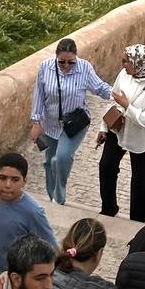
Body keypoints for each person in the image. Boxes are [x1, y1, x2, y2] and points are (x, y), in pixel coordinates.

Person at [30, 37, 113, 205]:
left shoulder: (84, 68)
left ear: (76, 58)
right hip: (51, 123)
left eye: (70, 62)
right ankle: (52, 195)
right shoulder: (46, 68)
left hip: (75, 124)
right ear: (56, 58)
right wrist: (36, 121)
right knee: (49, 162)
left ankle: (59, 198)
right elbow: (39, 94)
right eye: (62, 62)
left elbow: (100, 88)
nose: (66, 66)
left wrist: (118, 95)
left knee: (62, 157)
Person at [98, 45, 145, 222]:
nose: (122, 65)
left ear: (139, 63)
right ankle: (108, 207)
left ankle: (138, 218)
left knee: (140, 178)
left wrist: (127, 106)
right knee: (106, 166)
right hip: (119, 131)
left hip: (142, 139)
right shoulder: (124, 75)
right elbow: (113, 100)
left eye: (126, 61)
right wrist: (104, 127)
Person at [0, 152, 56, 275]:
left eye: (15, 180)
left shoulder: (33, 212)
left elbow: (52, 251)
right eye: (2, 178)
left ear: (24, 181)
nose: (8, 185)